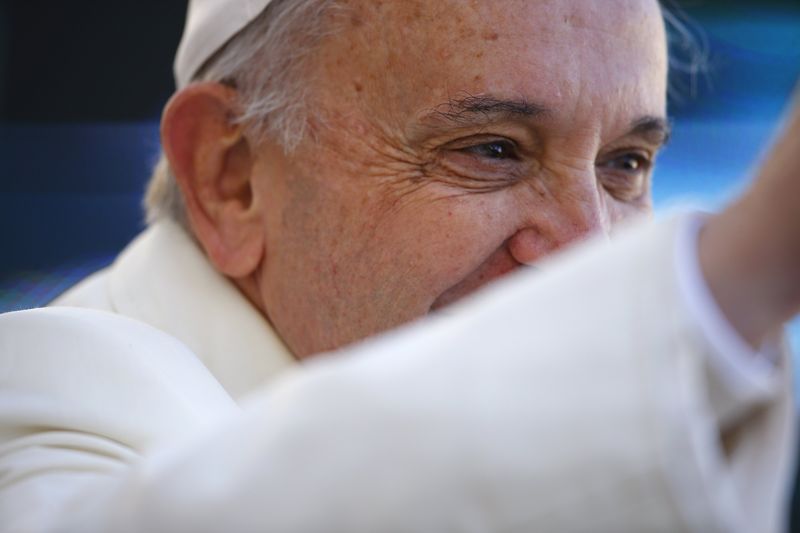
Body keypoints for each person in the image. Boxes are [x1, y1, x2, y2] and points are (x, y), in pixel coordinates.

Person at [0, 0, 798, 531]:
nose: (589, 250)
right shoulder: (48, 401)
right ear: (231, 177)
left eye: (624, 163)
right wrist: (738, 272)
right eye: (493, 150)